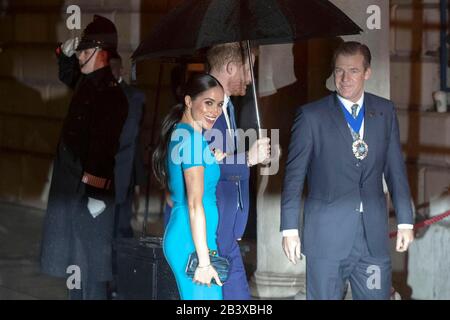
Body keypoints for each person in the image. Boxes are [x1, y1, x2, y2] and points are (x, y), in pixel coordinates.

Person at [280, 41, 415, 300]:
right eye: (339, 70)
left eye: (353, 71)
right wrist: (289, 229)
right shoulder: (311, 116)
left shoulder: (384, 111)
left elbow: (395, 169)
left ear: (367, 73)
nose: (344, 78)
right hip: (326, 240)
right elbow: (294, 177)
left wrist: (405, 221)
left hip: (372, 238)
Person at [40, 15, 128, 300]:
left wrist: (95, 192)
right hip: (75, 192)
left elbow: (103, 147)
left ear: (100, 53)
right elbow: (68, 74)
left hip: (90, 197)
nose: (79, 55)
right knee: (75, 272)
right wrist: (62, 53)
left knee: (89, 273)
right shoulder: (88, 83)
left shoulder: (109, 93)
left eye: (83, 50)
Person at [153, 73, 225, 300]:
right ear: (188, 101)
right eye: (209, 103)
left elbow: (172, 194)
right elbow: (194, 204)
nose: (215, 111)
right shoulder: (192, 140)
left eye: (220, 104)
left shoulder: (184, 134)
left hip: (190, 238)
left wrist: (210, 160)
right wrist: (204, 263)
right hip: (191, 242)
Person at [110, 54, 146, 239]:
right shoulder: (95, 94)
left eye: (113, 68)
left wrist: (139, 178)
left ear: (121, 70)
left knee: (122, 225)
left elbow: (136, 138)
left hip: (125, 171)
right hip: (101, 171)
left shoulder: (135, 97)